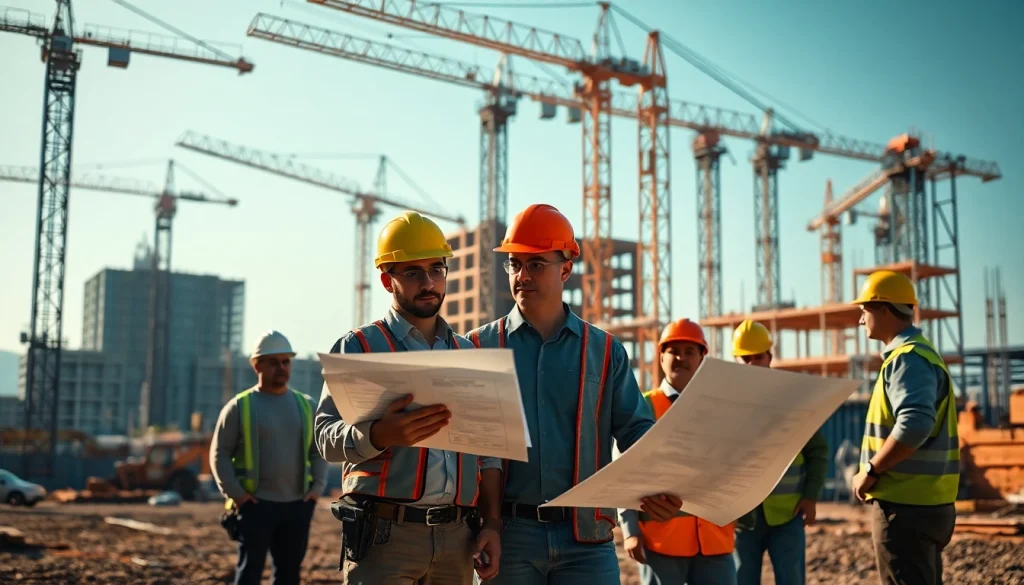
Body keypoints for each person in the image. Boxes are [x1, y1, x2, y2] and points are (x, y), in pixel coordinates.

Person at [468, 203, 682, 585]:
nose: (522, 275)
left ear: (565, 268)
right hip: (509, 537)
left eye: (536, 264)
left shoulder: (604, 351)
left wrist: (663, 482)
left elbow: (636, 432)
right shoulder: (481, 346)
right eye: (515, 264)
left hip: (587, 540)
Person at [314, 211, 503, 585]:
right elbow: (324, 437)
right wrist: (378, 435)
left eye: (437, 269)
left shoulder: (468, 355)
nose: (429, 282)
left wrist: (492, 524)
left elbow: (488, 453)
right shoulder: (361, 347)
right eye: (413, 272)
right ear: (388, 280)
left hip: (457, 540)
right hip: (385, 540)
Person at [850, 270, 959, 585]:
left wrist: (871, 470)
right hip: (927, 502)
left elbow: (914, 424)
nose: (860, 320)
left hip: (905, 507)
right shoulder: (922, 355)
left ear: (883, 309)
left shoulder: (906, 359)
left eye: (864, 310)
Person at [619, 318, 738, 585]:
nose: (681, 358)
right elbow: (622, 473)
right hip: (661, 543)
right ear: (661, 357)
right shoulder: (643, 407)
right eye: (673, 351)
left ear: (702, 358)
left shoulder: (722, 410)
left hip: (716, 541)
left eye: (689, 351)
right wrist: (630, 531)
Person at [210, 329, 327, 585]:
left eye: (286, 361)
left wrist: (316, 490)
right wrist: (237, 496)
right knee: (249, 574)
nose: (281, 367)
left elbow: (318, 451)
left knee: (288, 575)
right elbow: (219, 454)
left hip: (298, 505)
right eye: (273, 362)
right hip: (255, 506)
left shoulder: (307, 405)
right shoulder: (240, 407)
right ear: (257, 366)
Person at [729, 320, 829, 585]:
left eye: (758, 357)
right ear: (736, 361)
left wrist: (811, 496)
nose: (752, 364)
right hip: (743, 519)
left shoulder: (793, 402)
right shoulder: (726, 406)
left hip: (788, 515)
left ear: (769, 357)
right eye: (745, 358)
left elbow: (818, 451)